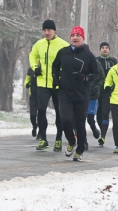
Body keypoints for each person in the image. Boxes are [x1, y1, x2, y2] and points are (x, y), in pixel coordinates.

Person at [51, 26, 99, 162]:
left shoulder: (88, 55)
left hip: (81, 94)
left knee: (79, 124)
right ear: (70, 37)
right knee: (65, 120)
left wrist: (85, 78)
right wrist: (55, 78)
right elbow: (55, 66)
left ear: (83, 38)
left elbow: (96, 74)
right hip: (65, 92)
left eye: (78, 35)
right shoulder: (63, 52)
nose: (75, 37)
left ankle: (79, 150)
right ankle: (71, 142)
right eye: (73, 35)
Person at [29, 19, 69, 151]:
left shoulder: (63, 44)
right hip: (42, 82)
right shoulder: (38, 44)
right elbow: (32, 56)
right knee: (41, 111)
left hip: (57, 83)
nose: (46, 33)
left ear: (54, 31)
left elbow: (68, 62)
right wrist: (35, 67)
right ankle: (43, 139)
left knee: (59, 112)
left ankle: (58, 138)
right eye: (44, 30)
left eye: (49, 30)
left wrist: (61, 75)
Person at [96, 42, 117, 146]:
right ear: (100, 49)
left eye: (106, 48)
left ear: (109, 49)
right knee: (98, 115)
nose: (104, 49)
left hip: (108, 92)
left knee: (105, 113)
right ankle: (101, 130)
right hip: (97, 91)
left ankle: (103, 136)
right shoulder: (96, 60)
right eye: (103, 48)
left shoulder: (113, 61)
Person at [84, 56, 105, 150]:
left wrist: (97, 88)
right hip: (81, 94)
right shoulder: (77, 62)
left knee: (90, 118)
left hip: (93, 95)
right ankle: (83, 141)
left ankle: (94, 128)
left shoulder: (96, 63)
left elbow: (102, 77)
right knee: (79, 120)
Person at [24, 67, 39, 139]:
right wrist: (27, 83)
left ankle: (41, 132)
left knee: (41, 114)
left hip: (43, 95)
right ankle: (34, 126)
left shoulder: (44, 68)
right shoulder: (30, 69)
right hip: (33, 95)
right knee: (32, 115)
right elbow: (27, 79)